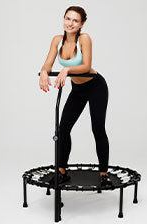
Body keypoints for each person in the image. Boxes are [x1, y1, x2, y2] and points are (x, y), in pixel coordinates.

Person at [39, 6, 113, 188]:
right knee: (63, 129)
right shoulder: (57, 40)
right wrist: (43, 72)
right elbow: (48, 63)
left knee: (98, 128)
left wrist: (67, 69)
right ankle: (62, 171)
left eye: (75, 20)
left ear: (82, 24)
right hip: (78, 89)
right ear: (63, 19)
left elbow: (86, 66)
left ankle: (103, 174)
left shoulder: (84, 39)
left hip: (96, 86)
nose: (70, 23)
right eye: (67, 19)